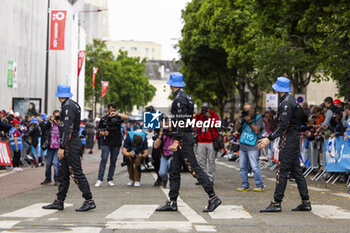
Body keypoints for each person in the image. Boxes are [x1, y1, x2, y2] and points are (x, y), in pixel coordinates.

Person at [156, 72, 221, 213]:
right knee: (174, 170)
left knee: (194, 168)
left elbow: (182, 120)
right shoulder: (187, 97)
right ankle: (172, 201)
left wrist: (177, 140)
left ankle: (213, 197)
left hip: (183, 138)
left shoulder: (179, 99)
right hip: (183, 136)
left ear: (171, 84)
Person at [258, 77, 311, 212]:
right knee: (297, 172)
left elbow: (283, 125)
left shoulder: (286, 103)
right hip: (294, 138)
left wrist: (269, 138)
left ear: (278, 89)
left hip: (288, 139)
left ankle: (276, 203)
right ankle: (306, 202)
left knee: (281, 171)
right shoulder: (293, 101)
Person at [42, 84, 95, 212]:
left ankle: (89, 200)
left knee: (76, 172)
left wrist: (61, 146)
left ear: (59, 95)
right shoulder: (73, 104)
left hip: (70, 143)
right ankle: (59, 200)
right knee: (63, 173)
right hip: (72, 142)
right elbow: (69, 124)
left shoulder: (67, 107)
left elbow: (68, 129)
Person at [95, 103, 129, 187]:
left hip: (116, 142)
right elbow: (98, 131)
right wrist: (103, 133)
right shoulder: (103, 119)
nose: (112, 112)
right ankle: (99, 179)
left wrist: (117, 114)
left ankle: (110, 179)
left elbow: (127, 117)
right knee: (104, 159)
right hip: (106, 142)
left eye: (114, 110)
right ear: (108, 110)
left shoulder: (118, 117)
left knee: (113, 161)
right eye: (111, 110)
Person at [235, 103, 265, 192]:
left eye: (248, 110)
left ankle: (259, 185)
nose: (247, 112)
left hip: (253, 145)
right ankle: (244, 185)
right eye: (245, 110)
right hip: (243, 144)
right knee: (242, 167)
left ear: (252, 110)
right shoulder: (242, 119)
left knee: (254, 166)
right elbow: (237, 128)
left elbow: (256, 130)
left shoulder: (258, 118)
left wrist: (249, 121)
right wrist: (238, 118)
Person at [194, 102, 220, 185]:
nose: (205, 110)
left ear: (209, 108)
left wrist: (210, 117)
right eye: (203, 108)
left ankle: (210, 179)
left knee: (211, 160)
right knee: (201, 160)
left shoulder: (214, 115)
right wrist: (197, 115)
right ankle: (202, 178)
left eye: (206, 108)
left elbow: (217, 126)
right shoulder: (199, 116)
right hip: (201, 141)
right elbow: (193, 124)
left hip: (211, 141)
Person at [40, 110, 61, 186]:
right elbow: (43, 128)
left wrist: (58, 123)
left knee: (55, 163)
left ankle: (57, 179)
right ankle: (48, 178)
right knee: (48, 163)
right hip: (50, 146)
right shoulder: (50, 123)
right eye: (55, 116)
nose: (57, 118)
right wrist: (50, 121)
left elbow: (65, 131)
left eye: (58, 116)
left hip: (58, 146)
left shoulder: (61, 123)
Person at [153, 118, 174, 188]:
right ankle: (165, 180)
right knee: (161, 173)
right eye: (168, 125)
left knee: (170, 164)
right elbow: (155, 146)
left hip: (173, 156)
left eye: (171, 125)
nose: (169, 127)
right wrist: (160, 135)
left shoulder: (176, 134)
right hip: (165, 155)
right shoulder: (164, 135)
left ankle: (173, 181)